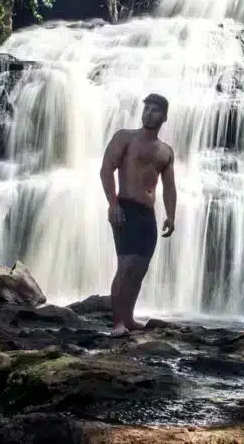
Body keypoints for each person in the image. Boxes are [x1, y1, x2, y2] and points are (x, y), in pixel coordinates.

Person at [100, 93, 177, 337]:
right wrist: (113, 205)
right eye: (146, 109)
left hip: (148, 214)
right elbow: (105, 171)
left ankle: (129, 318)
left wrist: (171, 216)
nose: (148, 113)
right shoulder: (125, 137)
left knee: (140, 268)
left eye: (155, 110)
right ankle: (117, 324)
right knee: (125, 266)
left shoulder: (166, 151)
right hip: (126, 207)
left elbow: (170, 186)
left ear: (164, 116)